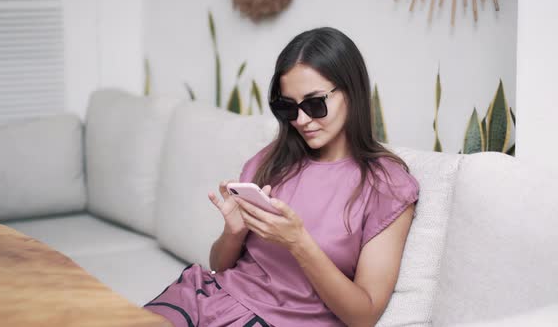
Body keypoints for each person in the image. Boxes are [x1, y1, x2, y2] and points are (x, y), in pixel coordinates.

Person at [144, 26, 420, 327]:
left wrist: (298, 242)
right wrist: (233, 233)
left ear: (351, 91)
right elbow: (220, 266)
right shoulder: (270, 161)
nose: (301, 120)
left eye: (315, 104)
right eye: (288, 107)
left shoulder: (387, 186)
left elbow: (363, 316)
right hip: (206, 297)